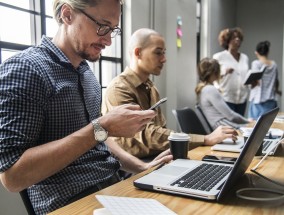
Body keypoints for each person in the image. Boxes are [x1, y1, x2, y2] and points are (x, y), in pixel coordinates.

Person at [0, 1, 173, 214]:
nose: (109, 40)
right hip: (72, 202)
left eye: (113, 30)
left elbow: (100, 136)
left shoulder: (87, 74)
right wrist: (102, 126)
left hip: (112, 185)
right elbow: (12, 178)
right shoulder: (26, 70)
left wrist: (140, 167)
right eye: (102, 26)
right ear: (67, 15)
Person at [102, 28, 238, 160]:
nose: (164, 59)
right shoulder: (119, 89)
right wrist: (205, 139)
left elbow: (159, 130)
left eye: (164, 53)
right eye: (158, 53)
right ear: (138, 53)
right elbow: (146, 134)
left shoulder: (151, 87)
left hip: (158, 156)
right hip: (133, 165)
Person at [195, 57, 250, 129]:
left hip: (222, 125)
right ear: (216, 72)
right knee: (255, 129)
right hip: (223, 127)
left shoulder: (203, 89)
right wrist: (249, 122)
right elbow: (231, 116)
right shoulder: (210, 90)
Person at [213, 27, 249, 116]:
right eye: (234, 38)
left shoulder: (245, 57)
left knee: (240, 126)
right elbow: (213, 77)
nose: (237, 40)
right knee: (229, 127)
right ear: (227, 40)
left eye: (239, 38)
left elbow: (244, 76)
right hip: (226, 98)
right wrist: (224, 72)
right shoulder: (219, 57)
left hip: (242, 98)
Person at [248, 41, 282, 120]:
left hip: (258, 100)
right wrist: (277, 90)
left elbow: (255, 80)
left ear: (256, 53)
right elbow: (276, 81)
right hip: (271, 100)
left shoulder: (256, 63)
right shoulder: (274, 64)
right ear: (268, 52)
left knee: (255, 126)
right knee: (270, 125)